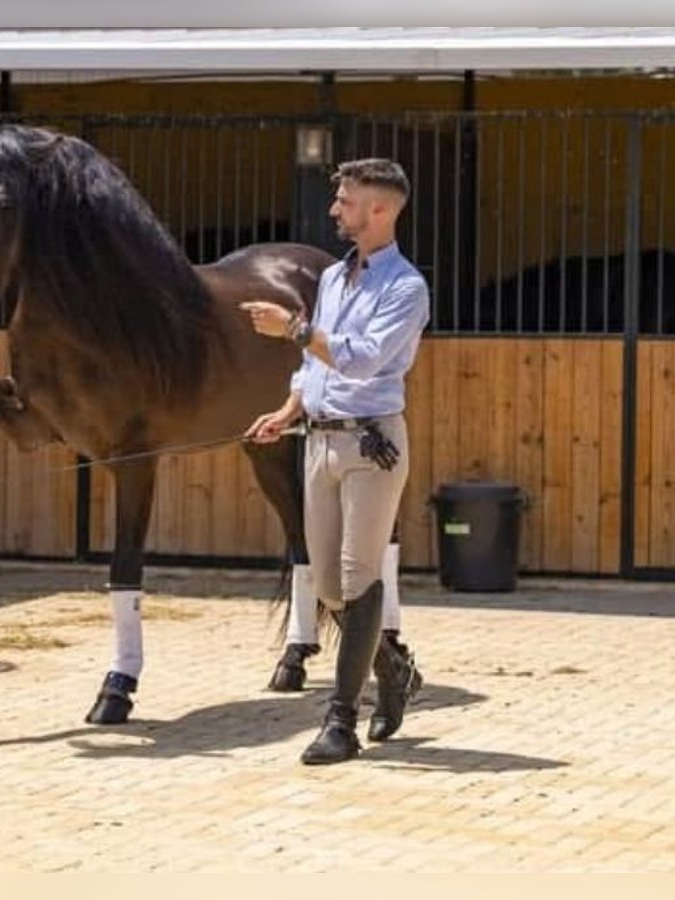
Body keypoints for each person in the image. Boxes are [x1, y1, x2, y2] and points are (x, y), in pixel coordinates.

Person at [241, 158, 429, 765]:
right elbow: (318, 364)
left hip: (372, 444)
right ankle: (393, 667)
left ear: (379, 211)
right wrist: (289, 408)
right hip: (318, 440)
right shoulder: (331, 279)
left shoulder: (406, 287)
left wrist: (292, 328)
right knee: (326, 585)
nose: (334, 211)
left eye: (344, 202)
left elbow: (363, 358)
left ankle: (342, 720)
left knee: (356, 578)